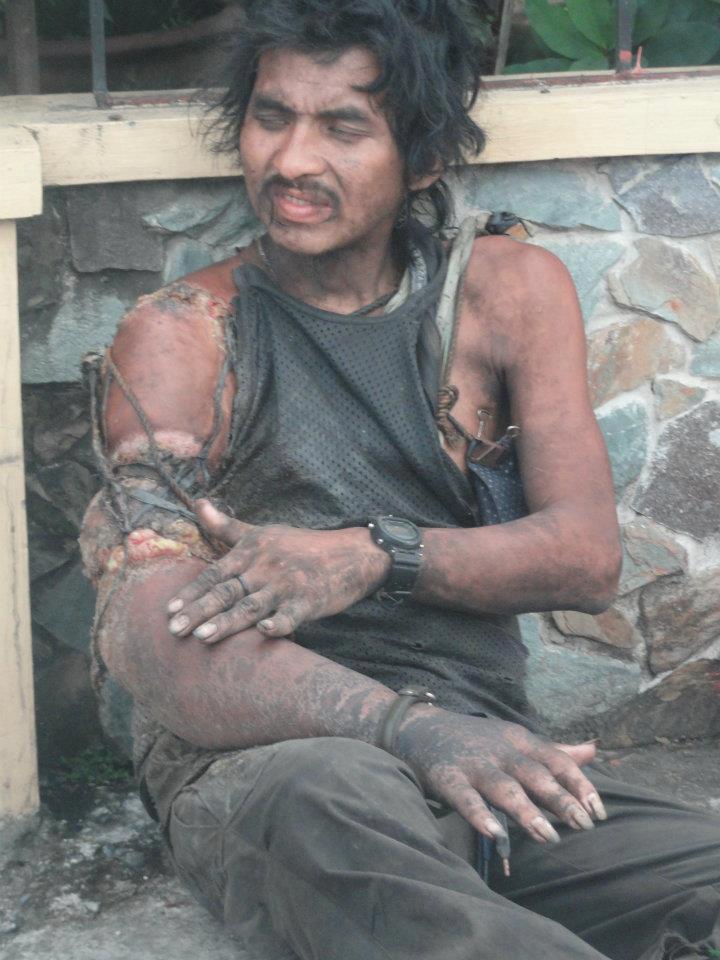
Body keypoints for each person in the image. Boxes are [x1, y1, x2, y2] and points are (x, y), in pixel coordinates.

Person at [79, 1, 720, 957]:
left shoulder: (508, 292)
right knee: (333, 804)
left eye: (343, 127)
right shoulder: (183, 334)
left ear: (422, 159)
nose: (292, 161)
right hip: (279, 766)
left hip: (484, 750)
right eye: (270, 117)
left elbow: (586, 558)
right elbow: (147, 640)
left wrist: (376, 555)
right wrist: (407, 731)